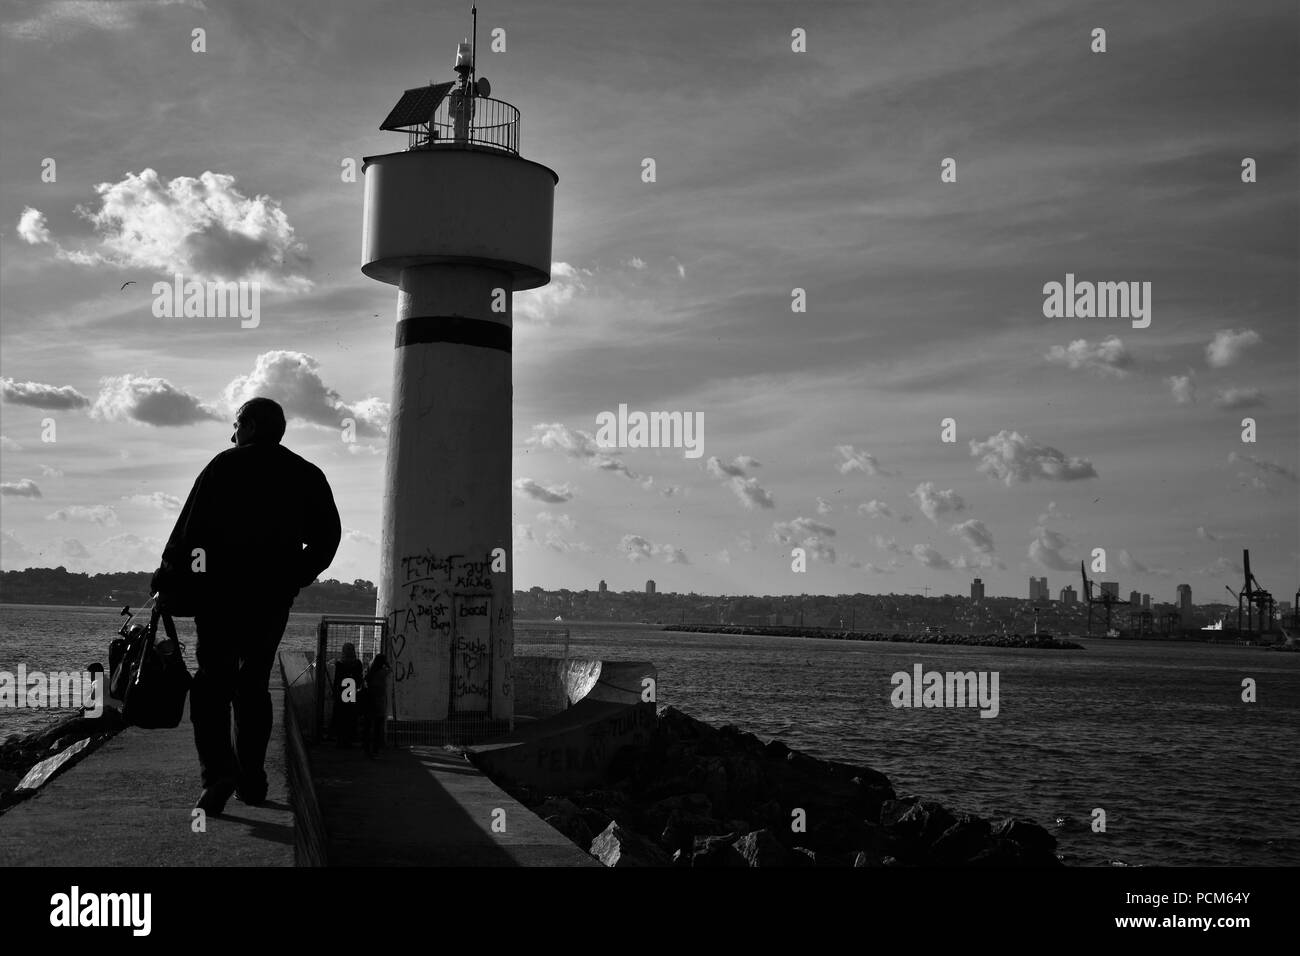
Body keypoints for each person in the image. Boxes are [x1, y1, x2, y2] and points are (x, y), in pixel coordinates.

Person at [152, 397, 341, 814]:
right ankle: (252, 780)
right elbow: (328, 539)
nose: (231, 433)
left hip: (219, 596)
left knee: (211, 683)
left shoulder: (224, 466)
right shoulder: (306, 474)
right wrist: (295, 574)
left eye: (236, 424)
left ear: (251, 426)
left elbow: (187, 533)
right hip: (271, 598)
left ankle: (218, 772)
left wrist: (167, 581)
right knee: (253, 683)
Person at [330, 643, 364, 747]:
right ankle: (350, 739)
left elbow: (337, 680)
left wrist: (334, 691)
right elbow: (359, 679)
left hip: (341, 694)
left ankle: (340, 740)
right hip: (352, 693)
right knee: (351, 717)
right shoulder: (358, 664)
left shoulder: (340, 664)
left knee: (341, 717)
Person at [361, 653, 392, 757]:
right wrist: (386, 663)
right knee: (377, 727)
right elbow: (390, 670)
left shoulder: (370, 672)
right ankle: (375, 749)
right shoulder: (382, 672)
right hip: (379, 702)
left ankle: (366, 748)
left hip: (369, 701)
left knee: (368, 726)